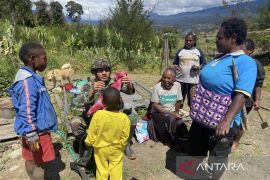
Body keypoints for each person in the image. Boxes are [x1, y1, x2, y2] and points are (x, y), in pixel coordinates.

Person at [187, 18, 257, 179]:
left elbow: (241, 94)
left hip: (221, 124)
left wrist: (226, 120)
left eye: (219, 38)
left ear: (232, 38)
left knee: (216, 161)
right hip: (201, 119)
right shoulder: (220, 58)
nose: (216, 41)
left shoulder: (246, 63)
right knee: (193, 154)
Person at [8, 42, 58, 179]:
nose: (46, 61)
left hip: (30, 130)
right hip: (37, 132)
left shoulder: (28, 76)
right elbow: (27, 109)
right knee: (39, 164)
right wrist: (31, 134)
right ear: (32, 59)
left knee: (30, 159)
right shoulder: (28, 81)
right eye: (44, 58)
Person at [71, 58, 137, 160]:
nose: (104, 73)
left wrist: (128, 84)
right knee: (75, 122)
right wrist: (92, 91)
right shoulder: (88, 85)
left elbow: (130, 92)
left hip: (113, 117)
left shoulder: (115, 82)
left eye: (107, 70)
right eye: (100, 70)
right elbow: (76, 103)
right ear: (95, 72)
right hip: (95, 119)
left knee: (132, 117)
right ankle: (84, 146)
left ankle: (126, 144)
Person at [85, 87, 130, 180]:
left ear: (103, 103)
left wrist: (89, 143)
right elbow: (125, 136)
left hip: (100, 148)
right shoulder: (124, 118)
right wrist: (122, 144)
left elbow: (92, 132)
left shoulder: (98, 115)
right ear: (120, 100)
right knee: (116, 168)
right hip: (116, 148)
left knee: (101, 168)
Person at [232, 39, 265, 150]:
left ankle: (236, 141)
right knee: (231, 117)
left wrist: (258, 99)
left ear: (250, 51)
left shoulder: (256, 64)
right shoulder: (236, 60)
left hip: (246, 99)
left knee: (242, 119)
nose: (240, 51)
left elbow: (259, 84)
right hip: (233, 96)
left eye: (243, 49)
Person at [150, 68, 188, 151]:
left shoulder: (177, 86)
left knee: (180, 123)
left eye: (168, 78)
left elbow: (179, 101)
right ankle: (168, 141)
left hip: (171, 112)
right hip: (158, 113)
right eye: (164, 77)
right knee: (170, 118)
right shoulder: (157, 87)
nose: (165, 80)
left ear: (174, 79)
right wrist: (171, 113)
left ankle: (182, 141)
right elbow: (155, 105)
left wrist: (176, 112)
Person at [173, 32, 206, 109]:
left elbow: (204, 64)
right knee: (179, 99)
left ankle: (193, 116)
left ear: (194, 41)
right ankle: (178, 113)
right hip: (180, 80)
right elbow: (175, 63)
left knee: (193, 100)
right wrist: (176, 67)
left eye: (190, 40)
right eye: (186, 40)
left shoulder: (199, 51)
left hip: (193, 81)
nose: (188, 42)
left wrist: (198, 67)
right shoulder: (180, 51)